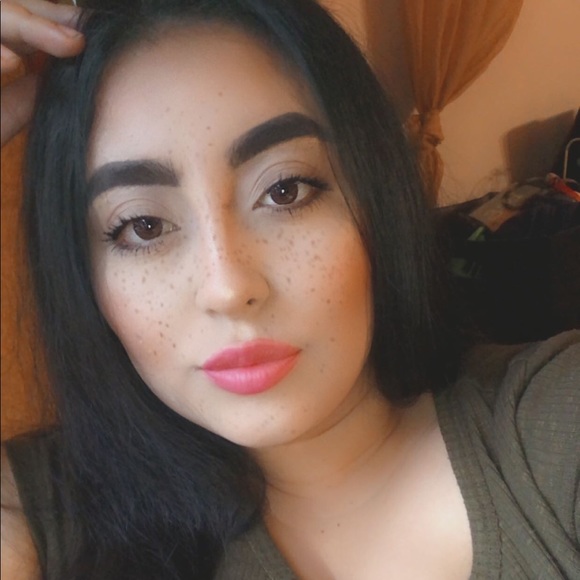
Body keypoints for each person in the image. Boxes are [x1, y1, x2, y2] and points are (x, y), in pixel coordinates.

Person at [1, 0, 578, 578]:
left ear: (375, 198)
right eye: (144, 226)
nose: (228, 288)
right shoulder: (49, 510)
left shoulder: (549, 430)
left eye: (285, 191)